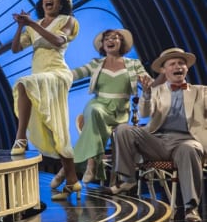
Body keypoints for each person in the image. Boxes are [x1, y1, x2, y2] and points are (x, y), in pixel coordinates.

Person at [0, 0, 80, 201]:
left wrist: (32, 25)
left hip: (57, 75)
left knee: (24, 83)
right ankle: (73, 181)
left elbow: (56, 40)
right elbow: (16, 49)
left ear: (62, 3)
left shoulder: (68, 21)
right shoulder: (34, 25)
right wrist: (20, 26)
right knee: (56, 127)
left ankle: (20, 137)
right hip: (41, 76)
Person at [109, 47, 206, 222]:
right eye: (173, 64)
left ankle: (191, 209)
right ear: (164, 70)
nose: (178, 66)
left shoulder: (201, 92)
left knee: (189, 149)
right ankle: (127, 179)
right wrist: (146, 94)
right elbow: (146, 111)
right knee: (122, 129)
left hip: (186, 142)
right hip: (157, 141)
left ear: (186, 68)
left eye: (181, 63)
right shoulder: (158, 91)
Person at [63, 29, 151, 185]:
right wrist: (55, 73)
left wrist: (151, 84)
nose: (111, 40)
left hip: (120, 111)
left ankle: (72, 168)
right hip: (98, 104)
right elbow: (74, 74)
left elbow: (149, 82)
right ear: (103, 45)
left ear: (121, 43)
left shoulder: (133, 64)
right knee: (96, 111)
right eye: (107, 39)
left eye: (115, 38)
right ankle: (91, 165)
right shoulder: (96, 64)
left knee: (95, 124)